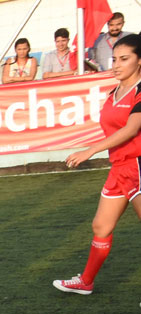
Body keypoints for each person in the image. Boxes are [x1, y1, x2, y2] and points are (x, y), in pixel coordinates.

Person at [56, 35, 141, 295]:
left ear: (139, 61)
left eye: (124, 59)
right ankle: (86, 281)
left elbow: (132, 128)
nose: (116, 65)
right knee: (101, 226)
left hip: (138, 167)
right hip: (120, 168)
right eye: (114, 59)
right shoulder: (114, 92)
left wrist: (91, 150)